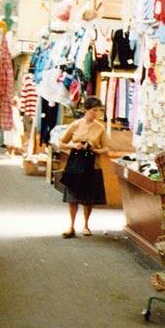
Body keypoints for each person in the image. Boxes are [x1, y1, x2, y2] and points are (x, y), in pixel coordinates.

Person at [59, 96, 110, 237]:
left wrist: (95, 149)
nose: (96, 114)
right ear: (86, 110)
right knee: (73, 197)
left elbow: (106, 148)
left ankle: (86, 225)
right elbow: (61, 143)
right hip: (76, 164)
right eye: (94, 110)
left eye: (99, 111)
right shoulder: (76, 125)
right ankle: (71, 225)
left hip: (92, 165)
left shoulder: (100, 128)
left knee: (89, 198)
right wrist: (73, 145)